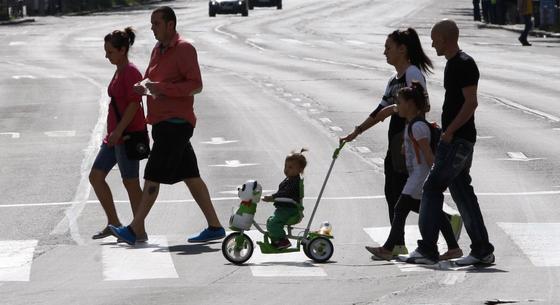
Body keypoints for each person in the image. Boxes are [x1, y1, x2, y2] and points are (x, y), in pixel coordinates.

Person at [109, 6, 225, 245]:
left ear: (170, 25)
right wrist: (144, 86)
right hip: (161, 122)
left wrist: (162, 89)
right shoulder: (157, 50)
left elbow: (196, 85)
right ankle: (215, 226)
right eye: (152, 24)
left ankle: (134, 228)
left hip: (176, 122)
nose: (152, 28)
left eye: (156, 24)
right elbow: (153, 78)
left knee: (152, 176)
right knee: (191, 175)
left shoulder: (184, 49)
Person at [406, 19, 495, 266]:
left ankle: (427, 249)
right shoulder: (454, 64)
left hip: (458, 140)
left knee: (432, 188)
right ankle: (482, 249)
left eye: (434, 39)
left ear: (445, 39)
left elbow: (471, 102)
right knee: (462, 193)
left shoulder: (463, 65)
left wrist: (450, 131)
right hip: (458, 138)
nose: (432, 43)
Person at [341, 28, 433, 257]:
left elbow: (424, 106)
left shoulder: (413, 74)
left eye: (388, 48)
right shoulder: (394, 80)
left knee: (400, 195)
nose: (385, 52)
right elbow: (380, 110)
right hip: (396, 141)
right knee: (394, 193)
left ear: (402, 49)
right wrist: (357, 131)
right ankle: (399, 242)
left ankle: (436, 222)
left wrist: (396, 109)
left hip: (408, 141)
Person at [365, 83, 463, 261]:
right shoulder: (413, 124)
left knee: (400, 208)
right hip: (416, 174)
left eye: (399, 102)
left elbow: (428, 154)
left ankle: (388, 248)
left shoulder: (418, 127)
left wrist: (436, 177)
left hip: (420, 175)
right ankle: (453, 247)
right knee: (428, 210)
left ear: (410, 104)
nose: (397, 106)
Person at [89, 27, 148, 242]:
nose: (106, 55)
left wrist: (119, 131)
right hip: (114, 137)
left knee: (131, 182)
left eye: (110, 51)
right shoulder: (119, 70)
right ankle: (113, 223)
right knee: (96, 176)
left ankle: (138, 230)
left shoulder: (131, 72)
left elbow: (134, 104)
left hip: (127, 135)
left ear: (123, 50)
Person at [262, 150, 307, 249]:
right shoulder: (289, 179)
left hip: (290, 210)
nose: (286, 169)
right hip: (285, 208)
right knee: (270, 221)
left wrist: (272, 197)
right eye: (285, 166)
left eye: (290, 167)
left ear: (300, 170)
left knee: (274, 223)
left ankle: (283, 241)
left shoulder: (294, 182)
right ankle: (276, 240)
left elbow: (285, 194)